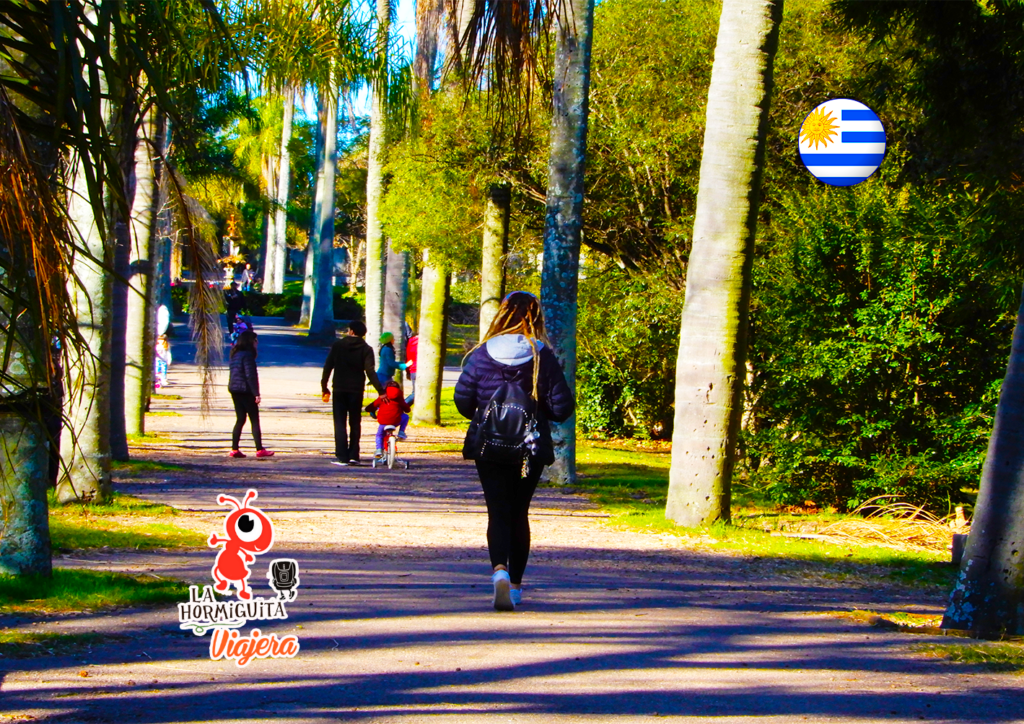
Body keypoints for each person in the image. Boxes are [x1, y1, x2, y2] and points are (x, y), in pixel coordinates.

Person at [454, 291, 574, 611]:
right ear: (536, 318)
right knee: (519, 513)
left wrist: (484, 411)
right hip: (528, 449)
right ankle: (517, 588)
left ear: (502, 315)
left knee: (497, 511)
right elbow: (561, 408)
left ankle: (499, 572)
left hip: (489, 446)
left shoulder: (482, 354)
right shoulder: (542, 356)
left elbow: (463, 400)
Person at [321, 320, 384, 466]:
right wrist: (380, 391)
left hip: (339, 388)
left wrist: (324, 386)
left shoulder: (338, 345)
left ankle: (342, 456)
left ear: (351, 331)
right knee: (355, 422)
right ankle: (354, 455)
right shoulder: (366, 349)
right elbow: (370, 371)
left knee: (340, 422)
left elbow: (328, 366)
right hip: (356, 389)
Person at [227, 330, 274, 459]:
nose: (257, 343)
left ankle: (234, 448)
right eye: (255, 340)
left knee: (240, 419)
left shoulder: (235, 354)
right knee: (254, 419)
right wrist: (256, 393)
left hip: (234, 389)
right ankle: (259, 449)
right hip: (245, 390)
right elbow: (250, 376)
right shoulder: (248, 356)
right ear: (250, 341)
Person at [365, 380, 411, 456]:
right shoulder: (399, 397)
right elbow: (407, 409)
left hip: (383, 422)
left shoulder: (382, 397)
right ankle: (401, 432)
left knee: (379, 435)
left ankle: (379, 449)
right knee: (406, 416)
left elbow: (370, 407)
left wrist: (369, 409)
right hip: (396, 421)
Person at [404, 333, 418, 405]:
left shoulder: (410, 341)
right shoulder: (423, 342)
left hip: (412, 369)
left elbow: (407, 356)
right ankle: (401, 407)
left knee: (415, 392)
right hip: (419, 369)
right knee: (416, 393)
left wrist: (408, 371)